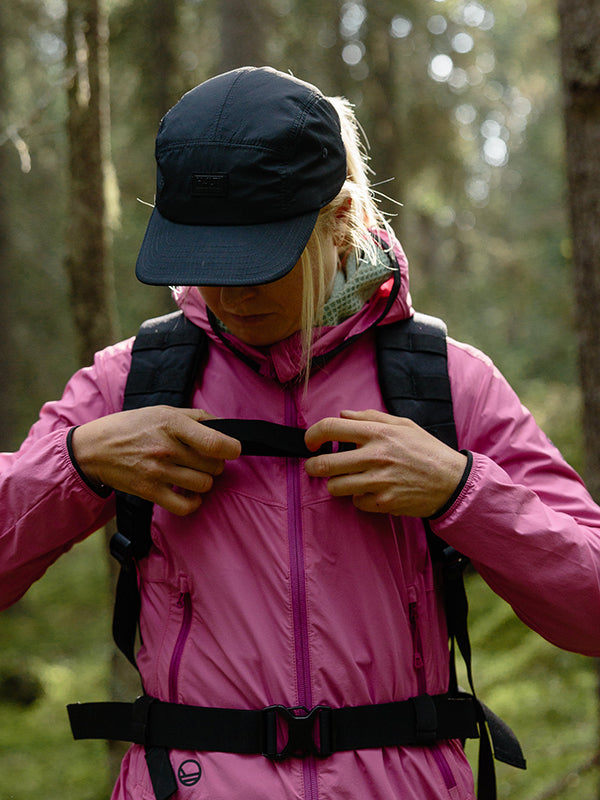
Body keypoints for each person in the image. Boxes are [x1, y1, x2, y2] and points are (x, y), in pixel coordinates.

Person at [1, 65, 599, 800]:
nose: (225, 293)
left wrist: (459, 491)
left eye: (256, 264)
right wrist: (76, 463)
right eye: (204, 260)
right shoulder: (134, 383)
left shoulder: (445, 382)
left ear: (339, 217)